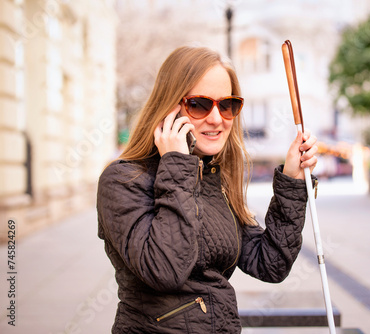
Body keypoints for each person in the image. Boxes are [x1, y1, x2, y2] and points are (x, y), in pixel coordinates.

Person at [96, 45, 318, 333]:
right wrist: (175, 166)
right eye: (200, 104)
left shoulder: (214, 179)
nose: (216, 118)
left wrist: (292, 182)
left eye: (227, 105)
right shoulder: (122, 180)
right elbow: (164, 271)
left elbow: (270, 263)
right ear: (169, 108)